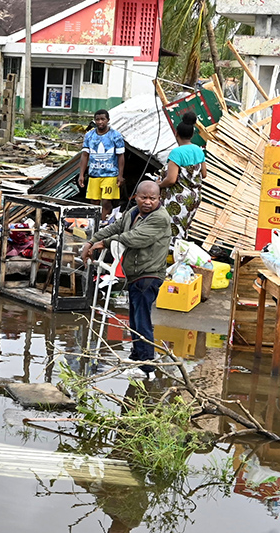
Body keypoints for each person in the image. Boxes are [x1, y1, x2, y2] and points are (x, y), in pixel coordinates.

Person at [84, 181, 171, 373]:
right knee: (134, 317)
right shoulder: (132, 212)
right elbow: (115, 228)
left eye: (152, 198)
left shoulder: (160, 218)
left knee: (141, 319)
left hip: (149, 273)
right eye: (144, 198)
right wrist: (91, 241)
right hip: (135, 273)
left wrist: (104, 244)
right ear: (136, 197)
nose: (148, 202)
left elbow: (136, 238)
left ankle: (147, 364)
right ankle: (136, 355)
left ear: (159, 199)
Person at [158, 111, 207, 243]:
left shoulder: (176, 153)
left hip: (178, 198)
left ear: (176, 134)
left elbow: (171, 180)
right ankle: (181, 256)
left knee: (173, 231)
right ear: (192, 134)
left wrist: (158, 185)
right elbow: (204, 174)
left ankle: (173, 258)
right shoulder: (198, 149)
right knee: (184, 228)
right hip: (195, 197)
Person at [78, 109, 125, 220]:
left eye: (102, 119)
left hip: (110, 174)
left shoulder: (115, 136)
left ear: (108, 120)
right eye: (97, 119)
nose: (100, 122)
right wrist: (81, 174)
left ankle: (103, 222)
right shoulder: (89, 136)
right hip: (94, 174)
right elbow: (85, 155)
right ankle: (94, 223)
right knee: (93, 201)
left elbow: (120, 156)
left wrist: (120, 175)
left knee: (106, 201)